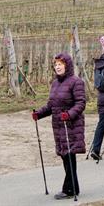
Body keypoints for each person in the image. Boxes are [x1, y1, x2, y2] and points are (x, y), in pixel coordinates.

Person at [32, 53, 86, 200]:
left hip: (72, 125)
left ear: (67, 66)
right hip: (58, 125)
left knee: (69, 155)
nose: (57, 67)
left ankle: (68, 189)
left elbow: (81, 103)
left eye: (60, 64)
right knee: (65, 156)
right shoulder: (55, 83)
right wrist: (39, 114)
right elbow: (51, 105)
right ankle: (74, 187)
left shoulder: (76, 82)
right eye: (55, 65)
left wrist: (69, 114)